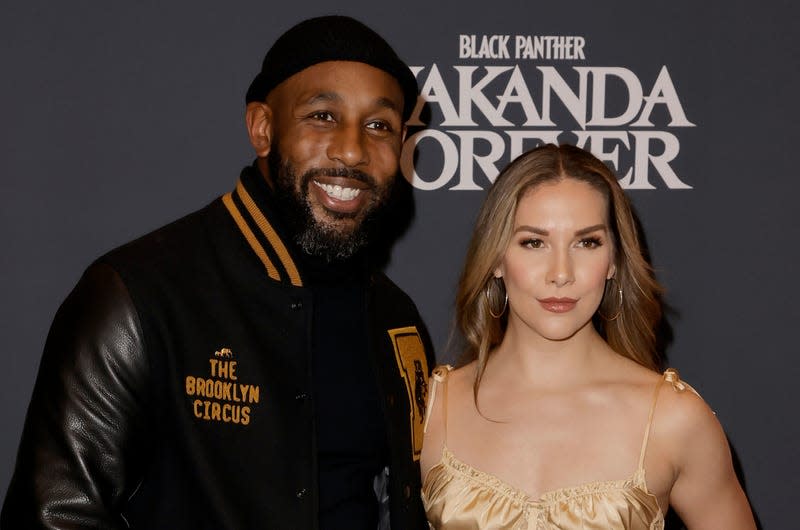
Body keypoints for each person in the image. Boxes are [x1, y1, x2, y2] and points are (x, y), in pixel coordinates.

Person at [2, 15, 435, 530]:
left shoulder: (393, 316)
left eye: (379, 125)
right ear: (263, 128)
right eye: (322, 116)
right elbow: (53, 517)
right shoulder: (136, 294)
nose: (351, 149)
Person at [420, 144, 756, 529]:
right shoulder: (433, 409)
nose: (561, 272)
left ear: (613, 260)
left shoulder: (673, 420)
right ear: (496, 258)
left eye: (587, 242)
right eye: (534, 242)